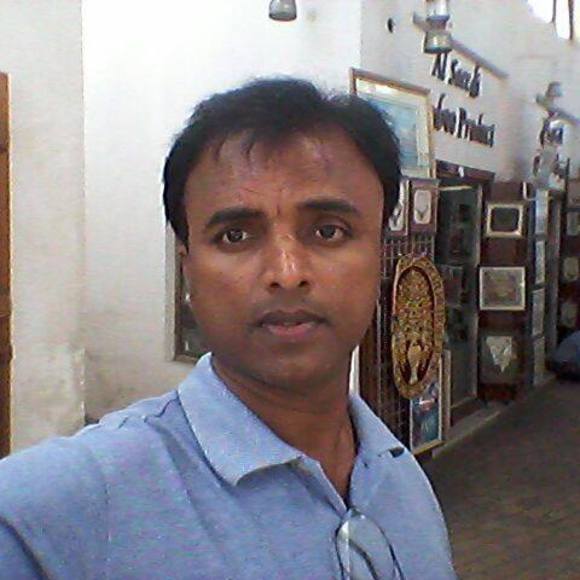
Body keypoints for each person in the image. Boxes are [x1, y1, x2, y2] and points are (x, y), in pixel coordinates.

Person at [0, 78, 456, 579]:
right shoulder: (47, 516)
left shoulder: (400, 477)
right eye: (235, 235)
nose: (287, 273)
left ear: (379, 256)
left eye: (329, 231)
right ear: (188, 271)